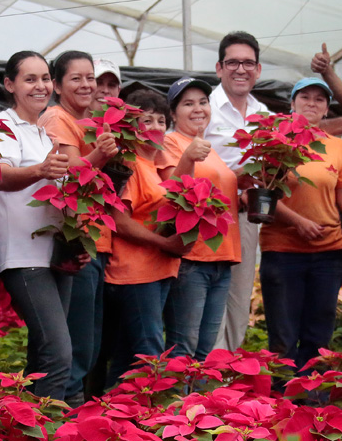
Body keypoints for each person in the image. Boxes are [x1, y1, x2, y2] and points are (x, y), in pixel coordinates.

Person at [0, 51, 75, 400]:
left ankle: (24, 431)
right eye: (30, 79)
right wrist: (40, 170)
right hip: (22, 257)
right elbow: (1, 178)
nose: (40, 86)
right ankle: (47, 433)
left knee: (43, 353)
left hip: (54, 256)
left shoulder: (43, 134)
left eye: (45, 78)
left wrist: (76, 243)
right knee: (58, 353)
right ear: (9, 84)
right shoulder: (1, 127)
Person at [259, 78, 342, 374]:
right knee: (284, 334)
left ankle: (314, 399)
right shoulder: (274, 142)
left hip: (329, 252)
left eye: (319, 99)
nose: (312, 103)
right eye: (305, 97)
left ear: (327, 108)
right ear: (292, 103)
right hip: (282, 250)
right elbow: (263, 196)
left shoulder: (338, 147)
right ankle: (280, 401)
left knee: (319, 332)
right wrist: (298, 222)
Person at [38, 52, 119, 406]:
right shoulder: (57, 118)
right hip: (76, 243)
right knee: (76, 343)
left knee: (90, 342)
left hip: (94, 242)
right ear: (56, 85)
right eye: (76, 78)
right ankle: (62, 418)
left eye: (91, 78)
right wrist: (100, 155)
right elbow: (71, 176)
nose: (87, 85)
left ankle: (73, 416)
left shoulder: (91, 121)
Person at [105, 89, 186, 384]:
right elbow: (118, 220)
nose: (155, 127)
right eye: (146, 120)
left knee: (128, 354)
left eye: (161, 121)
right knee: (149, 353)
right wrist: (163, 243)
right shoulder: (130, 165)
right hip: (135, 274)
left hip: (157, 270)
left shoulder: (154, 166)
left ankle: (110, 414)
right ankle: (154, 423)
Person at [156, 77, 240, 360]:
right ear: (173, 113)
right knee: (184, 346)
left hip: (221, 258)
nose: (198, 109)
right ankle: (177, 404)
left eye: (203, 102)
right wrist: (188, 158)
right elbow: (170, 195)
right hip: (191, 259)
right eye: (188, 103)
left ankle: (199, 405)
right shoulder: (170, 142)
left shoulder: (206, 145)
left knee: (205, 351)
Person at [204, 32, 266, 354]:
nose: (240, 69)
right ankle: (204, 377)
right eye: (232, 62)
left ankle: (228, 375)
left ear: (258, 70)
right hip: (209, 217)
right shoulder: (204, 108)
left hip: (246, 217)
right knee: (208, 297)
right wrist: (231, 180)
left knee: (240, 297)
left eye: (247, 63)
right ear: (219, 67)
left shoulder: (263, 113)